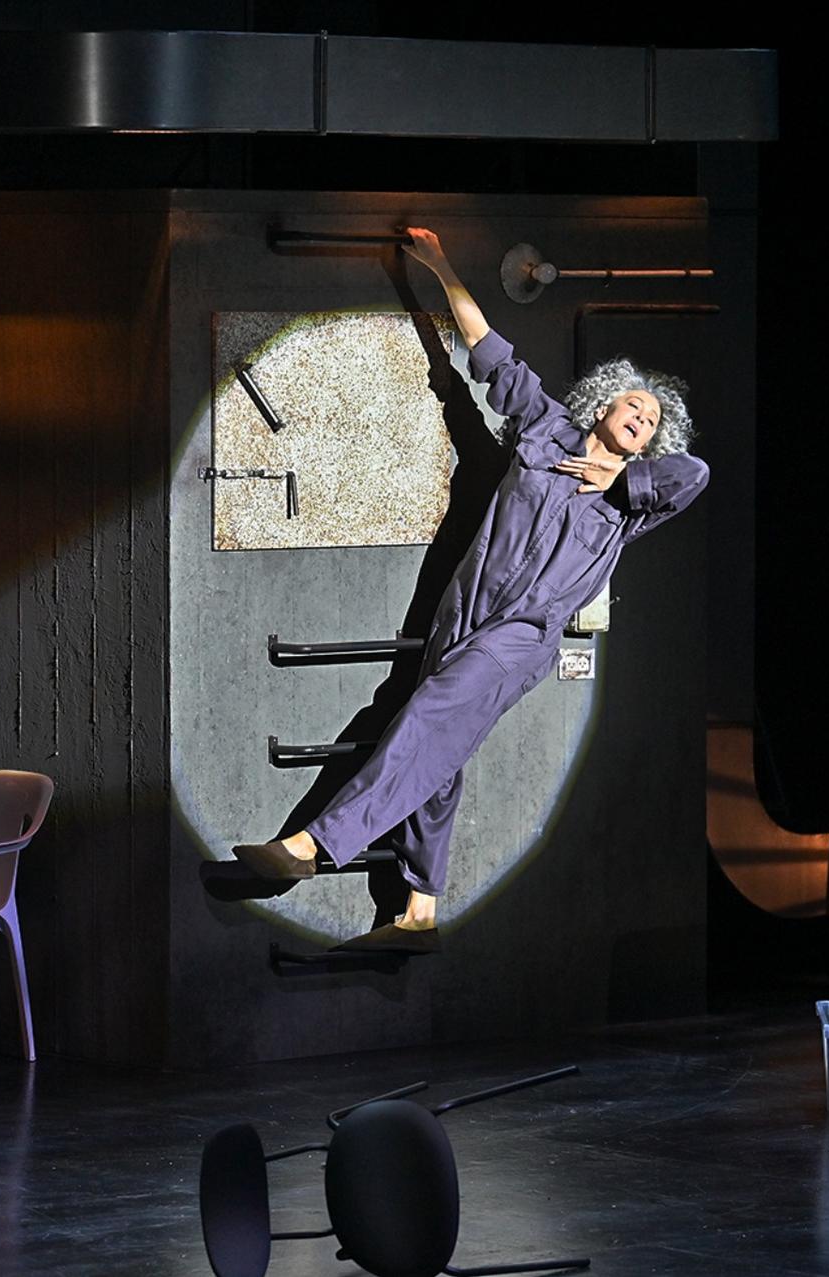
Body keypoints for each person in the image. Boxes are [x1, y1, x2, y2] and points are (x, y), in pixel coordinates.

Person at [233, 227, 710, 951]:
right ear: (603, 405)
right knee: (440, 752)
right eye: (633, 407)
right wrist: (441, 267)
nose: (641, 421)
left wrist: (622, 477)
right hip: (463, 612)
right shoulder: (545, 427)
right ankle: (419, 910)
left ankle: (311, 845)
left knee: (428, 718)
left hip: (520, 639)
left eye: (650, 425)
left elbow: (697, 474)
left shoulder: (632, 503)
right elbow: (488, 350)